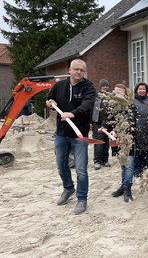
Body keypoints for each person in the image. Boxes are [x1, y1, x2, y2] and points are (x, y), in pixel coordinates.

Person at [46, 59, 96, 215]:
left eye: (82, 70)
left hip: (79, 134)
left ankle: (82, 198)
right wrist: (49, 102)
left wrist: (73, 113)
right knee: (61, 165)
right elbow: (49, 99)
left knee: (81, 169)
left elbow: (87, 104)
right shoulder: (59, 86)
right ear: (69, 70)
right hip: (61, 133)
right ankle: (68, 188)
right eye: (76, 69)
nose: (79, 72)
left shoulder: (88, 87)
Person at [103, 84, 138, 203]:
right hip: (115, 141)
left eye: (121, 93)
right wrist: (103, 127)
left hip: (128, 140)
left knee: (128, 165)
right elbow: (106, 119)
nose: (118, 95)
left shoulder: (130, 106)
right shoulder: (111, 105)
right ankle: (123, 186)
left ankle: (128, 188)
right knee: (122, 164)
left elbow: (129, 121)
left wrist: (117, 131)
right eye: (116, 92)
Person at [132, 82, 148, 179]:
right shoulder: (133, 101)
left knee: (146, 152)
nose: (142, 91)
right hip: (137, 130)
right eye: (140, 89)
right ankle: (136, 172)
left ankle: (145, 171)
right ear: (136, 90)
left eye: (144, 89)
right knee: (138, 152)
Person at [92, 79, 111, 170]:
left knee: (106, 142)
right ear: (100, 87)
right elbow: (91, 109)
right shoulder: (95, 96)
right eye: (103, 86)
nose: (105, 87)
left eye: (106, 86)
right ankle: (97, 161)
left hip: (108, 123)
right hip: (97, 122)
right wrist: (90, 122)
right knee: (99, 142)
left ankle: (105, 160)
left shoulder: (111, 97)